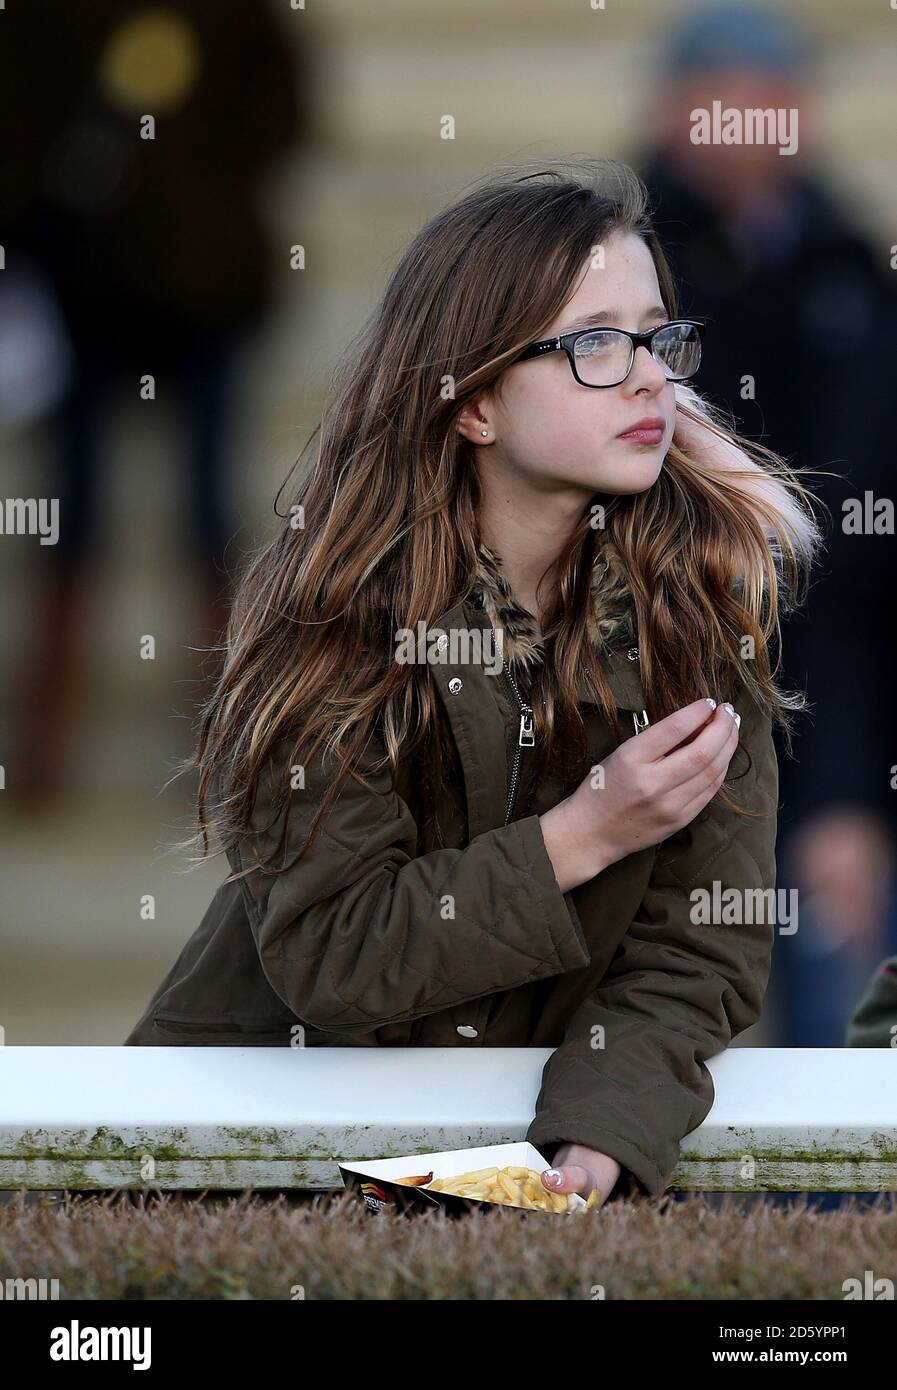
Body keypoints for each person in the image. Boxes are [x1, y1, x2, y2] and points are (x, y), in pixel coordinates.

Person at [125, 159, 819, 1209]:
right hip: (256, 1172)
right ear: (475, 403)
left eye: (658, 336)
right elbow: (332, 954)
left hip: (524, 1171)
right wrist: (587, 831)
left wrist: (601, 1128)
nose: (649, 380)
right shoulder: (333, 618)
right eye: (592, 343)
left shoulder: (702, 617)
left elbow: (700, 949)